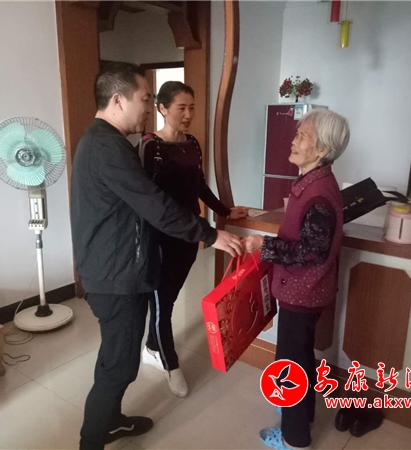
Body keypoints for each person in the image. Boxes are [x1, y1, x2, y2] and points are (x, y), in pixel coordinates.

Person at [70, 62, 243, 450]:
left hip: (116, 269)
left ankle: (112, 420)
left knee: (119, 359)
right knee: (118, 367)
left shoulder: (106, 142)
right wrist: (209, 234)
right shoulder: (108, 147)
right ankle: (91, 441)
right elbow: (154, 204)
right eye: (145, 99)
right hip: (115, 276)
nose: (149, 107)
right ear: (118, 100)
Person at [242, 109, 350, 450]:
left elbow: (311, 252)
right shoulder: (314, 182)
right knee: (298, 360)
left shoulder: (318, 194)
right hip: (304, 290)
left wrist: (264, 245)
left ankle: (295, 439)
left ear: (321, 150)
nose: (293, 140)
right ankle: (301, 416)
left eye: (302, 136)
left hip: (303, 293)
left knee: (292, 365)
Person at [138, 81, 248, 397]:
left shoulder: (192, 144)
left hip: (188, 236)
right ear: (162, 108)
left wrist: (224, 211)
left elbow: (198, 185)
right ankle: (170, 364)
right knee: (161, 302)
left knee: (169, 298)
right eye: (181, 108)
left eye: (192, 108)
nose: (188, 114)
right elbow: (144, 197)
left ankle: (152, 346)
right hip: (159, 237)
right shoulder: (149, 146)